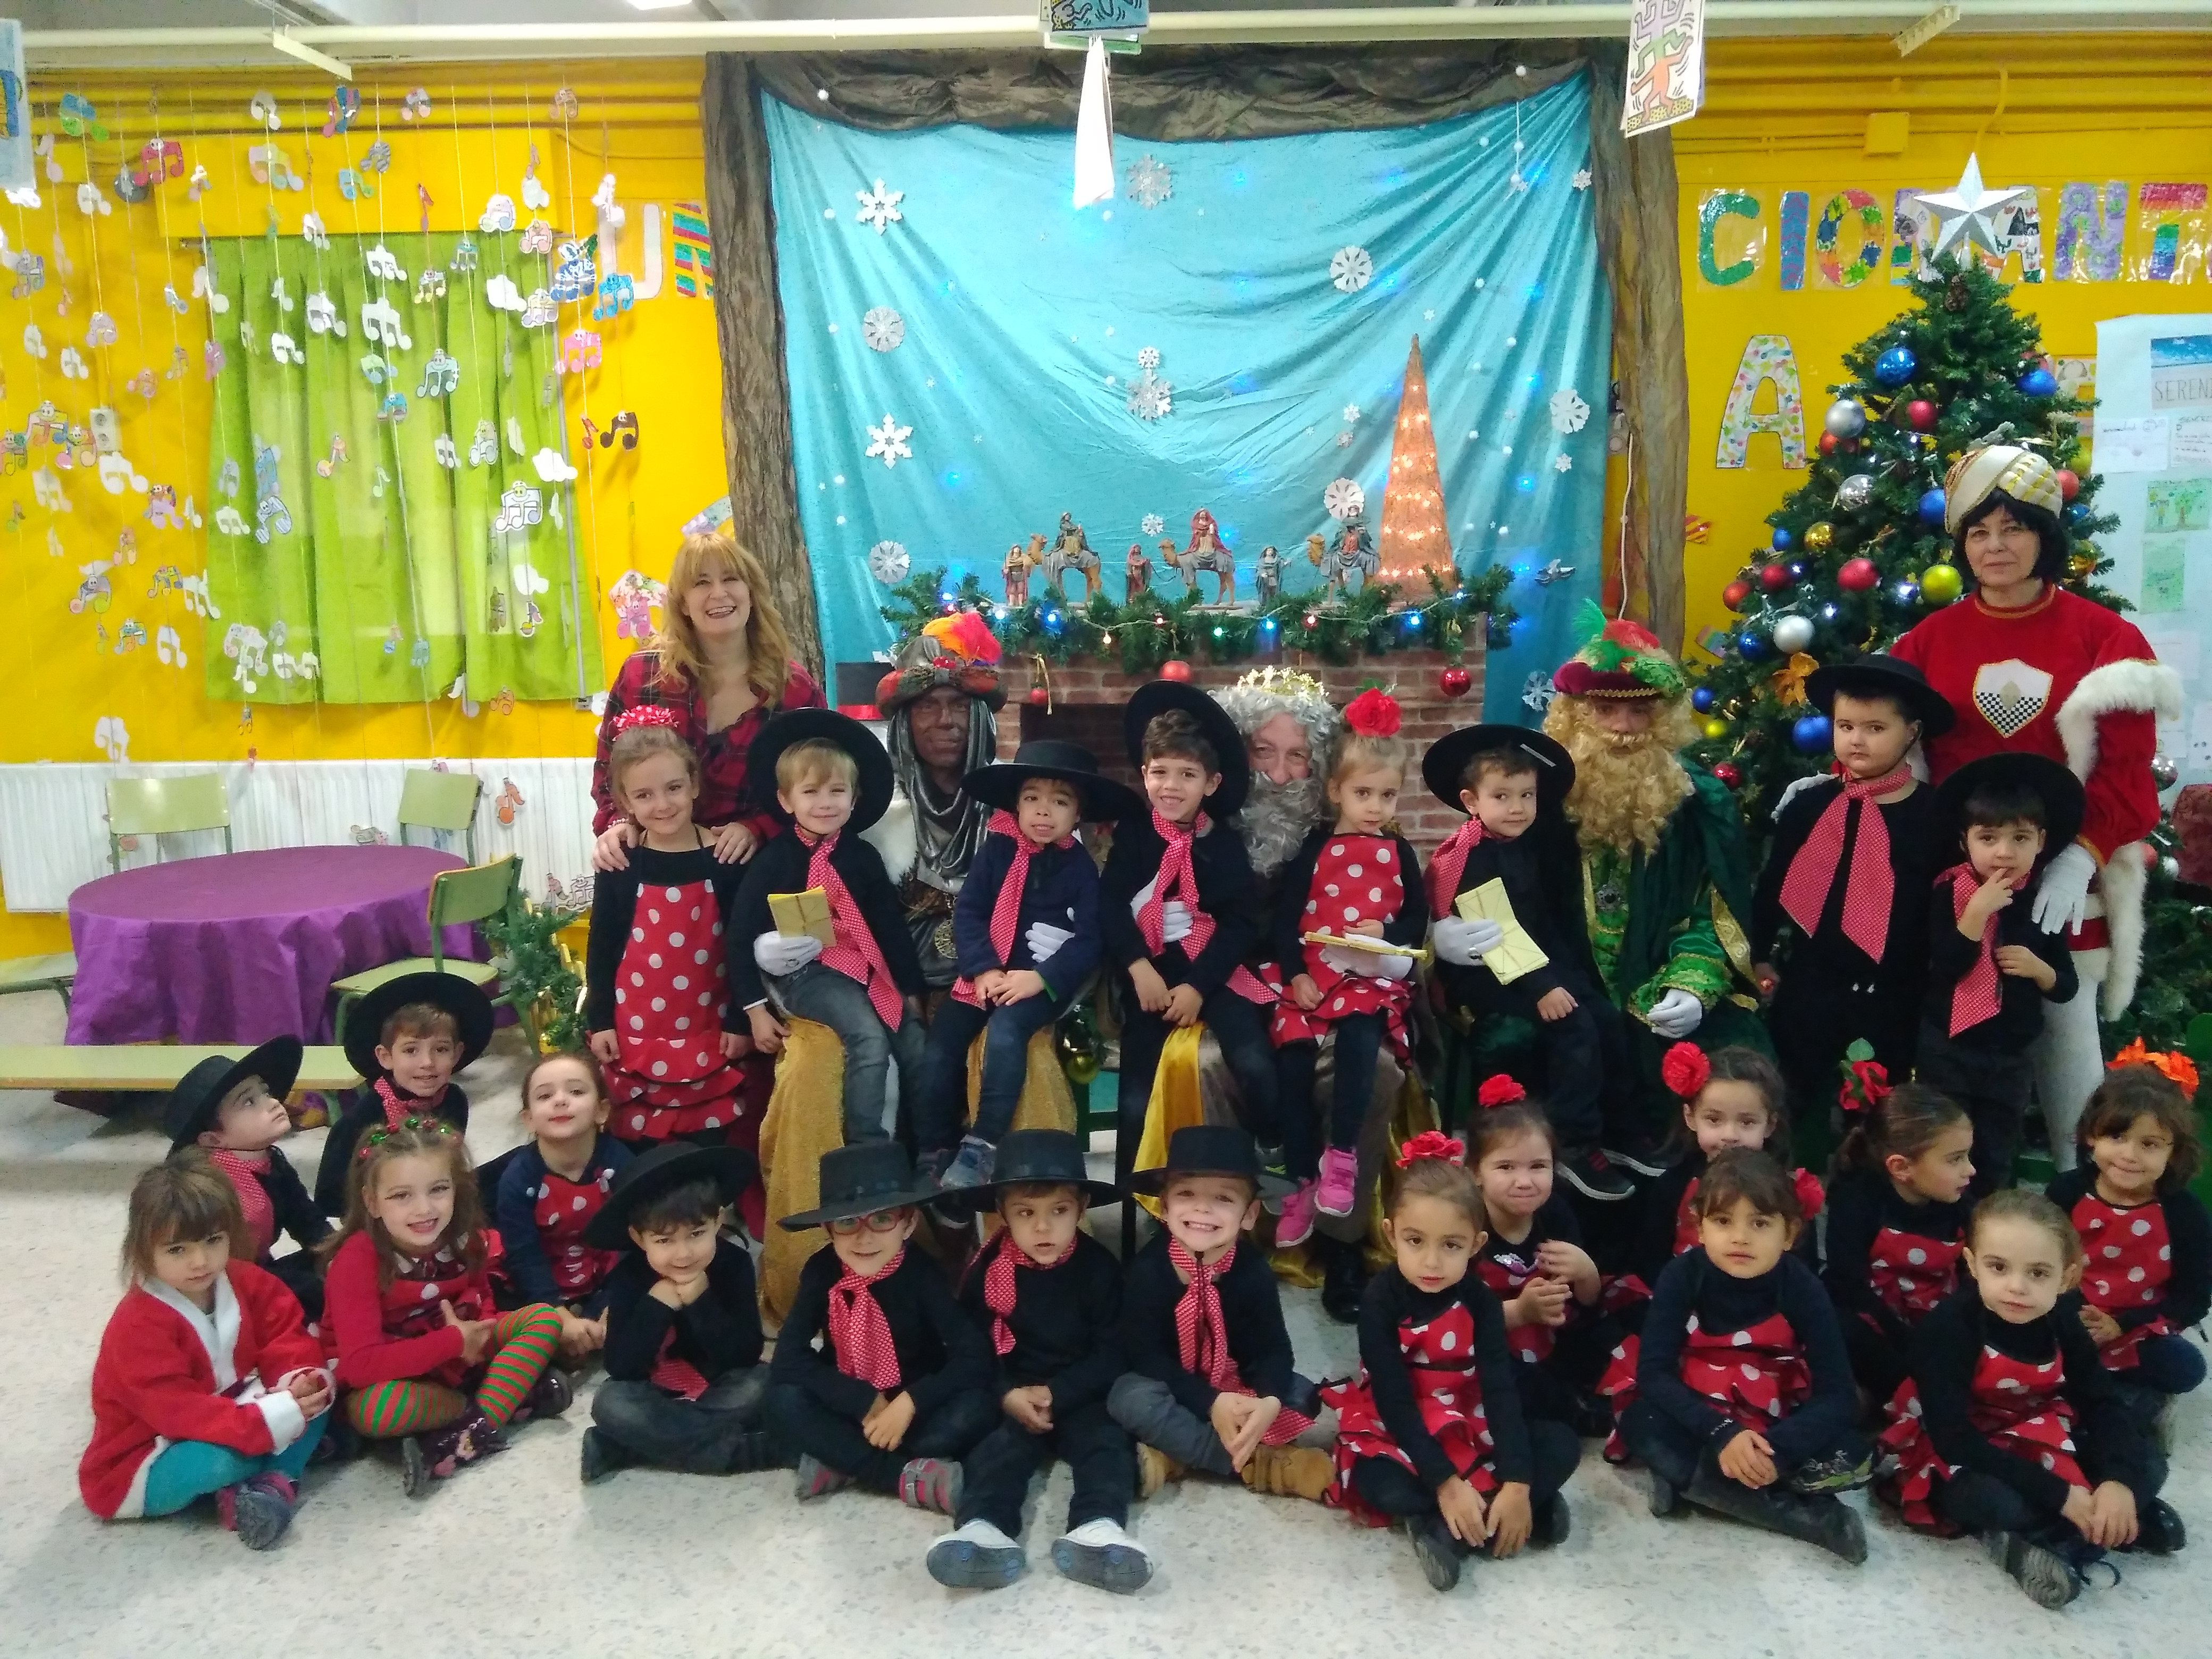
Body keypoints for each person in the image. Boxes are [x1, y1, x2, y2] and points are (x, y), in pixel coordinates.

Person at [1890, 443, 2181, 1172]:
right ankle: (1949, 1204)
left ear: (2044, 537)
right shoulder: (1926, 642)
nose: (1995, 546)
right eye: (1979, 532)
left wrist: (2078, 856)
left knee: (2068, 1050)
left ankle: (2085, 1201)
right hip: (1955, 889)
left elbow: (2126, 774)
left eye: (2013, 528)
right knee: (1947, 1059)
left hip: (2064, 886)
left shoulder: (2108, 640)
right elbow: (1888, 744)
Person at [1879, 1190, 2183, 1607]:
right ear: (1972, 1265)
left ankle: (2090, 1526)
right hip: (1964, 1450)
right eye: (1998, 1267)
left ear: (2066, 1278)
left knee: (2148, 1462)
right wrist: (2060, 1494)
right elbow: (1955, 1440)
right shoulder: (1950, 1327)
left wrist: (2119, 1482)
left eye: (2038, 1273)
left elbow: (2100, 1401)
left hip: (2036, 1431)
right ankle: (2096, 1531)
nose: (2017, 1287)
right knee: (1989, 1500)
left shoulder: (2063, 1319)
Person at [1540, 608, 1769, 1161]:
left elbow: (1716, 913)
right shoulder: (1539, 798)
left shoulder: (1699, 804)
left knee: (1734, 1050)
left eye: (1639, 711)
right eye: (1605, 710)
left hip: (1663, 981)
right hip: (1562, 986)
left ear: (1662, 719)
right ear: (1576, 716)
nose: (1622, 728)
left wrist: (1692, 984)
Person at [1321, 1129, 1579, 1591]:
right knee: (1380, 1483)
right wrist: (1445, 1482)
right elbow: (1395, 1403)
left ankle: (1477, 1519)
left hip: (1467, 1414)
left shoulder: (1480, 1301)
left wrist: (1518, 1481)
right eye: (1415, 1241)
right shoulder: (1379, 1299)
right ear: (1390, 1234)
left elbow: (1500, 1389)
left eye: (1451, 1245)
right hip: (1402, 1425)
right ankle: (1468, 1517)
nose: (1432, 1262)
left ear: (1477, 1244)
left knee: (1561, 1445)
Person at [1620, 1148, 1871, 1562]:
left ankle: (1691, 1482)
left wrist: (1776, 1449)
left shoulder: (1803, 1287)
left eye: (1760, 1223)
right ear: (1699, 1227)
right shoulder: (1682, 1275)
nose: (1740, 1237)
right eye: (1723, 1221)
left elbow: (1839, 1396)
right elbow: (1655, 1375)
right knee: (1640, 1421)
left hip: (1774, 1424)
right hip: (1701, 1419)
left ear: (1790, 1233)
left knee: (1855, 1455)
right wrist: (1723, 1434)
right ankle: (1808, 1518)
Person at [926, 1131, 1147, 1595]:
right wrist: (1006, 1393)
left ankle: (1097, 1528)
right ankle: (983, 1530)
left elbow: (1115, 1351)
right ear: (1003, 1213)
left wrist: (1061, 1393)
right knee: (996, 1451)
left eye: (1059, 1211)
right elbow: (971, 1348)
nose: (1043, 1228)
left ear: (1082, 1208)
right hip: (1015, 1390)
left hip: (1080, 1390)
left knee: (1107, 1446)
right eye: (1026, 1213)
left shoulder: (1099, 1269)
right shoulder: (987, 1272)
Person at [1424, 722, 1632, 1202]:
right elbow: (1500, 935)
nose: (1517, 808)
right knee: (1574, 1027)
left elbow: (1538, 923)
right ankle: (1571, 1141)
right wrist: (1544, 988)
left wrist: (1569, 978)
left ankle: (1620, 1129)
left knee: (1603, 1014)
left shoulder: (1521, 846)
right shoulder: (1471, 857)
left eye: (1527, 796)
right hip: (1484, 972)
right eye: (1502, 797)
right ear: (1472, 801)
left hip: (1528, 959)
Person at [80, 1154, 333, 1548]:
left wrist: (297, 1380)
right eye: (177, 1250)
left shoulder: (246, 1279)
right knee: (222, 1461)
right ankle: (273, 1471)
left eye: (213, 1241)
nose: (200, 1262)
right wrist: (265, 1423)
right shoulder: (136, 1325)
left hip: (230, 1412)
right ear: (143, 1249)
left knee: (318, 1390)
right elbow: (176, 1410)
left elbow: (285, 1335)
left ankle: (271, 1484)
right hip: (152, 1448)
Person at [1752, 656, 1953, 1139]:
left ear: (1912, 733)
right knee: (1788, 1100)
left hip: (1893, 992)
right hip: (1808, 984)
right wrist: (1758, 956)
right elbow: (1772, 886)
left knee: (1875, 1118)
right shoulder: (1808, 806)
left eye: (1875, 728)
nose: (1857, 740)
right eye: (1845, 727)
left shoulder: (1935, 816)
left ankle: (1863, 1180)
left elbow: (1945, 908)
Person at [915, 741, 1130, 1189]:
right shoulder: (996, 851)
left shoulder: (1080, 869)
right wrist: (984, 968)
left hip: (1038, 982)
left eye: (1060, 802)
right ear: (1016, 804)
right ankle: (933, 1148)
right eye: (1032, 798)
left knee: (1007, 1033)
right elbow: (970, 912)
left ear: (1079, 814)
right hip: (985, 976)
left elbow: (1089, 940)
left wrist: (1042, 978)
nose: (1043, 811)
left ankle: (984, 1144)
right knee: (938, 1050)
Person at [319, 1119, 568, 1496]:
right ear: (372, 1202)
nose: (424, 1209)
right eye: (401, 1196)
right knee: (377, 1411)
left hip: (463, 1353)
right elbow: (361, 1366)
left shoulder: (464, 1237)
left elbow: (482, 1296)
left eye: (438, 1189)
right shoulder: (356, 1261)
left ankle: (467, 1434)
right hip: (399, 1377)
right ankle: (502, 1403)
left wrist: (478, 1336)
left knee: (544, 1319)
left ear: (456, 1188)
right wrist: (453, 1343)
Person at [1101, 684, 1279, 1191]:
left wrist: (1200, 987)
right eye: (1160, 772)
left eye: (1187, 774)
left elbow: (1241, 923)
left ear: (1211, 782)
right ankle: (1138, 1196)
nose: (1171, 786)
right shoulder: (1133, 835)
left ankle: (1271, 1148)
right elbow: (1109, 904)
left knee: (1253, 1060)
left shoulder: (1223, 844)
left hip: (1212, 975)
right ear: (1144, 774)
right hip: (1150, 977)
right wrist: (1138, 967)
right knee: (1136, 1097)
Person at [1269, 690, 1429, 1239]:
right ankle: (1299, 1180)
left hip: (1367, 977)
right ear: (1336, 790)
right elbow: (1285, 921)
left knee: (1361, 1043)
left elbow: (1416, 919)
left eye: (1388, 795)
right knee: (1292, 1063)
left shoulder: (1400, 853)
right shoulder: (1313, 850)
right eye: (1363, 793)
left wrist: (1386, 936)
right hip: (1314, 976)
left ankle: (1341, 1156)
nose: (1376, 807)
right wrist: (1295, 974)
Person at [766, 1142, 996, 1513]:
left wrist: (910, 1402)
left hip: (912, 1408)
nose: (864, 1237)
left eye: (882, 1219)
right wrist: (860, 1400)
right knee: (780, 1400)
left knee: (979, 1408)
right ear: (828, 1229)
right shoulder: (821, 1271)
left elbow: (974, 1355)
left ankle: (841, 1460)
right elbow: (788, 1359)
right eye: (847, 1222)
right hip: (847, 1403)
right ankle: (899, 1476)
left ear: (908, 1223)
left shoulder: (923, 1273)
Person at [1109, 1125, 1334, 1505]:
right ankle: (1259, 1465)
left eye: (1224, 1198)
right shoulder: (1146, 1273)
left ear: (1249, 1215)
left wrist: (1269, 1401)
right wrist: (1210, 1403)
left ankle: (1176, 1456)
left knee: (1301, 1393)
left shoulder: (1254, 1271)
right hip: (1174, 1388)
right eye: (1186, 1194)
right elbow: (1146, 1357)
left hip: (1233, 1382)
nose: (1202, 1209)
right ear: (1164, 1207)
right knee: (1127, 1398)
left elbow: (1273, 1349)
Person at [732, 710, 925, 1145]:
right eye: (811, 792)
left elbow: (888, 927)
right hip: (808, 975)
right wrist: (755, 1010)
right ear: (786, 801)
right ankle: (867, 1148)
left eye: (837, 791)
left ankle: (927, 1146)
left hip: (865, 966)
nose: (825, 803)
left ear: (854, 799)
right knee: (868, 1038)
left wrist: (910, 989)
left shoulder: (862, 857)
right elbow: (740, 937)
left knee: (913, 1041)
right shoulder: (774, 861)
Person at [590, 527, 823, 872]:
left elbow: (818, 780)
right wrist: (616, 824)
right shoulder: (641, 675)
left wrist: (757, 828)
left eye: (731, 579)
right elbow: (608, 770)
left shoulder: (795, 689)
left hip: (753, 870)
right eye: (701, 583)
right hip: (653, 861)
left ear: (752, 593)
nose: (719, 593)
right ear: (683, 603)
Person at [1915, 754, 2083, 1194]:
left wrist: (2039, 969)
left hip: (2010, 1054)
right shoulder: (1949, 891)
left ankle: (1990, 1221)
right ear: (1965, 841)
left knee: (1996, 1152)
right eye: (1988, 838)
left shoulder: (2042, 901)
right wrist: (1975, 915)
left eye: (2020, 838)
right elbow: (1945, 966)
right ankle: (1943, 1221)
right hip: (1948, 1048)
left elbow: (2066, 986)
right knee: (1942, 1143)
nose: (2004, 852)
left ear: (2041, 841)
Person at [584, 706, 750, 1149]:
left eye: (674, 788)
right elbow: (602, 946)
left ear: (694, 785)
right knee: (641, 1140)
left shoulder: (726, 858)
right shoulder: (621, 863)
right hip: (635, 1031)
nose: (662, 805)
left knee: (708, 1138)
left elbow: (743, 946)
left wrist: (740, 1020)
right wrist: (601, 1020)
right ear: (625, 802)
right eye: (644, 795)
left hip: (709, 1028)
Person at [582, 1143, 782, 1484]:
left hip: (719, 1384)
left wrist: (702, 1301)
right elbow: (622, 1366)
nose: (684, 1254)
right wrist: (656, 1305)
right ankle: (747, 1451)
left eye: (697, 1234)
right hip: (653, 1393)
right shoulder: (629, 1276)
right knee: (611, 1402)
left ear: (718, 1221)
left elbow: (744, 1354)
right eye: (664, 1241)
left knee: (762, 1384)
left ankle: (629, 1448)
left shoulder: (733, 1264)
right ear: (639, 1239)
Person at [2047, 1054, 2209, 1418]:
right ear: (2092, 1135)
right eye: (2117, 1137)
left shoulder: (2185, 1214)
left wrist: (2121, 1325)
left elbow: (2193, 1299)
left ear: (2174, 1151)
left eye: (2149, 1144)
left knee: (2187, 1368)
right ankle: (2098, 1390)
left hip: (2137, 1329)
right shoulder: (2066, 1192)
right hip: (2067, 1316)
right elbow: (2042, 1263)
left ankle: (2109, 1393)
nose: (2129, 1156)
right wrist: (2076, 1317)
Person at [1462, 1076, 1619, 1437]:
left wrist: (1586, 1273)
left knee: (1612, 1333)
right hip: (1492, 1342)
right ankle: (1569, 1412)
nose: (1524, 1181)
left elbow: (1585, 1306)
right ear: (1475, 1173)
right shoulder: (1464, 1224)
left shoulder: (1556, 1213)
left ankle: (1581, 1397)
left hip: (1549, 1338)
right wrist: (1520, 1312)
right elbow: (1455, 1318)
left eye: (1538, 1166)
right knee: (1505, 1379)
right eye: (1506, 1167)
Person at [1821, 1081, 1975, 1410]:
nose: (1970, 1170)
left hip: (1936, 1324)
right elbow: (1849, 1285)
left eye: (1967, 1156)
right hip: (1878, 1326)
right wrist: (1906, 1341)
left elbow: (1970, 1283)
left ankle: (1899, 1399)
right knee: (1835, 1325)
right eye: (1955, 1160)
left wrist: (1941, 1334)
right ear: (1901, 1167)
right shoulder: (1857, 1202)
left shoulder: (1963, 1208)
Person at [874, 610, 1006, 993]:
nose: (946, 721)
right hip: (900, 989)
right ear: (904, 723)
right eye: (927, 706)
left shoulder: (1018, 807)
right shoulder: (874, 815)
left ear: (981, 719)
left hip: (999, 984)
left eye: (960, 706)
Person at [164, 1037, 329, 1320]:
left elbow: (307, 1221)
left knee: (357, 1255)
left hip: (261, 1268)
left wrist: (337, 1252)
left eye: (265, 1093)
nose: (273, 1103)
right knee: (315, 1290)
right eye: (249, 1102)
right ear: (213, 1140)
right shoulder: (211, 1186)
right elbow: (221, 1268)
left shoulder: (272, 1162)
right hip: (222, 1288)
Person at [491, 1051, 633, 1362]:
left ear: (601, 1111)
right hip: (542, 1276)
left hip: (604, 1269)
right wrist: (558, 1314)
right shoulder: (518, 1180)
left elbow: (632, 1240)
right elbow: (524, 1256)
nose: (560, 1101)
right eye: (545, 1096)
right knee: (513, 1322)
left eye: (576, 1091)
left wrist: (614, 1304)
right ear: (529, 1119)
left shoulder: (619, 1163)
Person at [315, 971, 494, 1217]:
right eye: (411, 1051)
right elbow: (327, 1199)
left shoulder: (454, 1101)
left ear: (457, 1053)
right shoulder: (361, 1120)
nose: (427, 1063)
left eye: (441, 1049)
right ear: (386, 1057)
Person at [1635, 1044, 1813, 1281]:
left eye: (1747, 1122)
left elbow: (1803, 1272)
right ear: (1691, 1118)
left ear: (1770, 1125)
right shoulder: (1673, 1186)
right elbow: (1653, 1262)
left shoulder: (1787, 1191)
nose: (1730, 1135)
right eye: (1714, 1120)